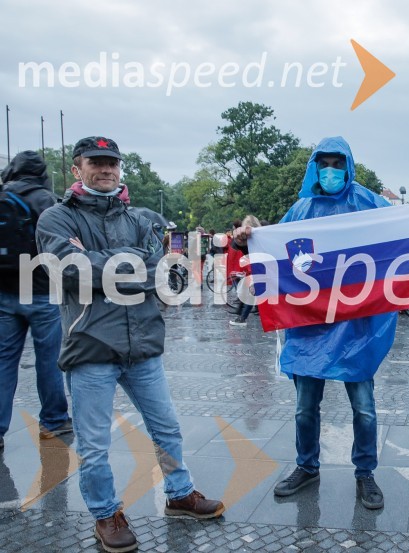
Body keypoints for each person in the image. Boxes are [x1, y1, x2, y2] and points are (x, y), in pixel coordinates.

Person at [233, 137, 409, 508]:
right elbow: (271, 248)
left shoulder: (369, 202)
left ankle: (365, 473)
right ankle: (306, 466)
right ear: (314, 166)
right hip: (311, 325)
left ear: (348, 165)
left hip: (358, 326)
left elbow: (407, 231)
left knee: (364, 409)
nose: (330, 170)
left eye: (337, 163)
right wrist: (245, 240)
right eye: (324, 163)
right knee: (305, 408)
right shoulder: (302, 208)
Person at [36, 137, 224, 553]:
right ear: (77, 169)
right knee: (94, 444)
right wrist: (131, 260)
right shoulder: (56, 218)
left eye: (112, 163)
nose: (106, 169)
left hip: (142, 344)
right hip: (90, 346)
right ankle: (106, 514)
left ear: (120, 168)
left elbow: (163, 272)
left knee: (167, 428)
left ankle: (180, 494)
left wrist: (101, 260)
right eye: (96, 163)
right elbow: (69, 270)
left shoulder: (141, 217)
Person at [0, 151, 72, 452]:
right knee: (49, 360)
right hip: (42, 290)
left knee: (4, 360)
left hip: (5, 291)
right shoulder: (47, 200)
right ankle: (54, 420)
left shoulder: (2, 195)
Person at [230, 215, 261, 327]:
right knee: (251, 294)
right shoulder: (251, 241)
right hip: (258, 271)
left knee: (251, 295)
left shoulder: (251, 241)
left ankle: (242, 318)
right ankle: (242, 317)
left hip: (258, 271)